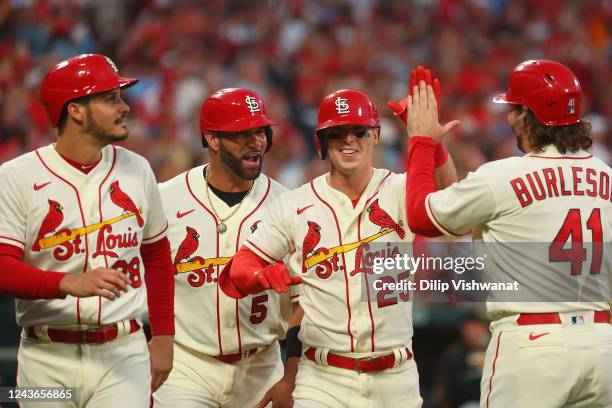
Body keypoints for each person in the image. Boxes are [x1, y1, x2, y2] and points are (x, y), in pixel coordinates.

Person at [219, 76, 457, 407]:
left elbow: (448, 210)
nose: (349, 141)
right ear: (321, 142)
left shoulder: (399, 190)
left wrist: (431, 141)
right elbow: (240, 266)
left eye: (359, 131)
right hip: (323, 379)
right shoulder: (295, 204)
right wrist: (262, 276)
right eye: (337, 133)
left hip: (397, 377)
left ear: (375, 135)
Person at [405, 59, 612, 407]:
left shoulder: (503, 175)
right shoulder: (606, 175)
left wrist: (422, 142)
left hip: (533, 345)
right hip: (602, 346)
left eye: (515, 108)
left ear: (530, 115)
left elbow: (421, 217)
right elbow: (464, 202)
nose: (508, 117)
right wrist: (438, 147)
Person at [0, 53, 175, 406]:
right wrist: (67, 283)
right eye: (110, 99)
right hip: (43, 356)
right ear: (75, 110)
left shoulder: (138, 168)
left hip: (123, 352)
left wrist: (164, 337)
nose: (124, 107)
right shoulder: (15, 176)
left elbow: (156, 256)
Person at [153, 88, 297, 407]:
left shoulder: (289, 205)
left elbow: (303, 303)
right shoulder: (165, 200)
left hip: (262, 365)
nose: (255, 141)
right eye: (242, 133)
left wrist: (290, 376)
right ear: (213, 140)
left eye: (259, 131)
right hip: (186, 365)